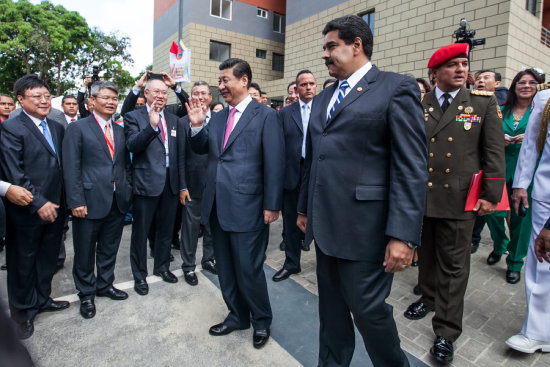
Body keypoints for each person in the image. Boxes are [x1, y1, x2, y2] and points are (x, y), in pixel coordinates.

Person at [296, 15, 427, 366]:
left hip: (366, 231)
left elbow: (411, 167)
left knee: (369, 313)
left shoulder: (395, 87)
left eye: (331, 46)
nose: (325, 55)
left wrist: (403, 236)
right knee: (332, 316)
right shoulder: (324, 99)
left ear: (357, 46)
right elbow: (314, 162)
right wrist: (304, 209)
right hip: (327, 229)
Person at [404, 43, 505, 364]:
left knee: (454, 266)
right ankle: (429, 297)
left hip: (460, 200)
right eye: (453, 65)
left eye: (464, 64)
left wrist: (491, 196)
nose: (461, 69)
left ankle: (446, 331)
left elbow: (494, 153)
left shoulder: (481, 103)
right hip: (423, 198)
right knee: (428, 257)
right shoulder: (419, 104)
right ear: (435, 73)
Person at [186, 58, 284, 349]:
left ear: (244, 80)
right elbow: (202, 147)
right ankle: (237, 315)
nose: (221, 86)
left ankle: (261, 320)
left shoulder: (265, 115)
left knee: (249, 269)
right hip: (217, 206)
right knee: (226, 269)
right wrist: (196, 127)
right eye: (220, 81)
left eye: (226, 80)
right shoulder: (217, 118)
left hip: (249, 207)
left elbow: (275, 162)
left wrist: (272, 204)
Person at [0, 74, 70, 339]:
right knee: (23, 262)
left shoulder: (56, 127)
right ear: (20, 99)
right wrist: (38, 203)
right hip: (27, 210)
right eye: (36, 96)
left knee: (48, 259)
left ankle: (43, 299)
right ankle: (23, 312)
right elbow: (14, 174)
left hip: (57, 208)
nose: (44, 101)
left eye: (46, 96)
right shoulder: (11, 129)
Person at [62, 81, 133, 319]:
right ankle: (86, 294)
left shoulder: (121, 131)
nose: (111, 102)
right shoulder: (78, 128)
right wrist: (76, 201)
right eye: (106, 98)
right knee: (84, 252)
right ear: (92, 101)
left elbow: (124, 165)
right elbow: (71, 168)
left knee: (109, 248)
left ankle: (105, 285)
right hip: (88, 201)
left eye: (114, 98)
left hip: (117, 200)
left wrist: (127, 189)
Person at [124, 78, 188, 295]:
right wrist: (151, 127)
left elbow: (179, 155)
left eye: (164, 92)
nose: (161, 95)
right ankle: (140, 276)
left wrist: (181, 185)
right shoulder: (134, 117)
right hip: (146, 183)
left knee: (166, 231)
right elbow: (133, 145)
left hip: (170, 183)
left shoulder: (173, 119)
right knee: (141, 234)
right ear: (147, 93)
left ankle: (162, 267)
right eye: (156, 92)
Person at [485, 69, 542, 284]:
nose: (526, 86)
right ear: (514, 86)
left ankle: (515, 262)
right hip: (500, 169)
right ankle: (500, 244)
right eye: (521, 82)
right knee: (493, 214)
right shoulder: (499, 110)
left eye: (531, 82)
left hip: (527, 173)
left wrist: (530, 139)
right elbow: (487, 136)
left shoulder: (542, 112)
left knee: (520, 218)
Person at [505, 87, 550, 353]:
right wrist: (521, 184)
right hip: (546, 196)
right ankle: (537, 331)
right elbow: (533, 145)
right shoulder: (544, 100)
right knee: (542, 264)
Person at [273, 69, 316, 282]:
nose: (308, 87)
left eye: (312, 83)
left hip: (317, 174)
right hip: (292, 175)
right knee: (290, 223)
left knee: (319, 220)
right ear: (296, 89)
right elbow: (278, 146)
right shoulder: (284, 113)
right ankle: (292, 263)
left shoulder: (324, 109)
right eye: (304, 84)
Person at [178, 81, 217, 286]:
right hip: (192, 184)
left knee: (212, 226)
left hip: (216, 184)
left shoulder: (221, 119)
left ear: (210, 97)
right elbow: (180, 158)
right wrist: (182, 186)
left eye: (204, 93)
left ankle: (208, 259)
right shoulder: (183, 122)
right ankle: (188, 266)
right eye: (195, 93)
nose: (200, 97)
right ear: (191, 98)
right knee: (191, 228)